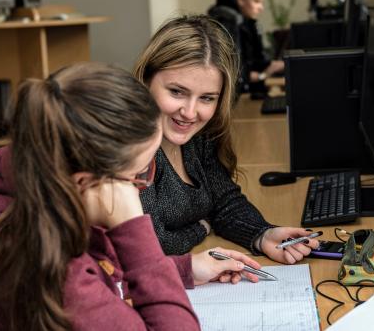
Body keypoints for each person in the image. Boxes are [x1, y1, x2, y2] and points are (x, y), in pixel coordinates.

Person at [0, 63, 262, 330]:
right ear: (84, 182)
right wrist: (132, 224)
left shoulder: (31, 171)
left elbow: (103, 271)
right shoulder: (48, 267)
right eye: (138, 175)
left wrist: (183, 268)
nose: (142, 186)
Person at [133, 15, 318, 265]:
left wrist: (263, 234)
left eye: (207, 98)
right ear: (146, 80)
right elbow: (153, 243)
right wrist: (202, 227)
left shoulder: (198, 137)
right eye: (177, 92)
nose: (189, 112)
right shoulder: (131, 149)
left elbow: (224, 203)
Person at [208, 0, 284, 96]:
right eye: (256, 1)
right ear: (241, 0)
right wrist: (264, 75)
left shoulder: (244, 21)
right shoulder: (227, 20)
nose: (261, 8)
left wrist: (271, 65)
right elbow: (233, 72)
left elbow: (251, 60)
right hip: (233, 99)